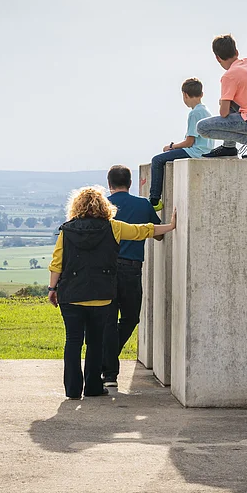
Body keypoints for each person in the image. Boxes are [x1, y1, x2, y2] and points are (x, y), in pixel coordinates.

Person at [48, 186, 177, 400]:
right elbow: (142, 230)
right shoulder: (113, 227)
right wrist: (171, 226)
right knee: (95, 341)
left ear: (76, 206)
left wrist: (53, 289)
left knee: (73, 341)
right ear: (104, 206)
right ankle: (92, 387)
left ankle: (72, 390)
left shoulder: (67, 230)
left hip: (71, 294)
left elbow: (57, 263)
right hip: (101, 294)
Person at [101, 165, 162, 389]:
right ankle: (107, 367)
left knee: (108, 320)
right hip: (131, 269)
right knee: (130, 318)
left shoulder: (102, 206)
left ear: (109, 184)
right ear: (130, 183)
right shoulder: (143, 205)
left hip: (104, 271)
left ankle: (108, 370)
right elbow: (157, 234)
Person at [197, 34, 247, 160]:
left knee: (202, 127)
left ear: (217, 58)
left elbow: (223, 113)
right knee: (231, 100)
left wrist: (223, 102)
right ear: (236, 51)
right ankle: (228, 147)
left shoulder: (229, 76)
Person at [149, 78, 214, 211]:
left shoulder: (194, 113)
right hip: (206, 150)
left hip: (195, 152)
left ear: (185, 95)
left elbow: (189, 142)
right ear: (202, 94)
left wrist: (171, 146)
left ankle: (154, 200)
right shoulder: (206, 111)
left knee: (157, 160)